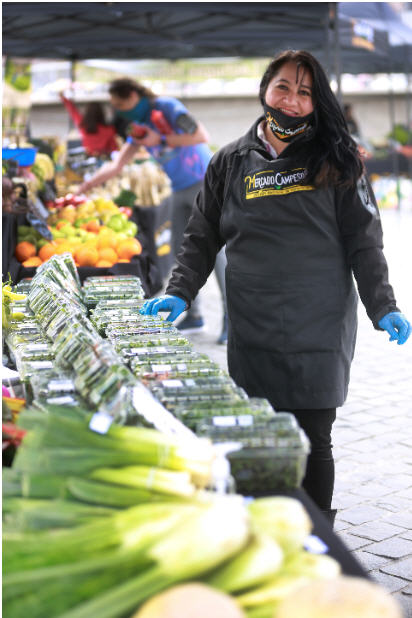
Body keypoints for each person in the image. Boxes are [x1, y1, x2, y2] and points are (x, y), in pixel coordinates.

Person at [140, 50, 411, 523]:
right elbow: (202, 236)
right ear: (265, 89)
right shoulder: (230, 161)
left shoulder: (338, 158)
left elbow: (363, 241)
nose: (291, 99)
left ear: (317, 100)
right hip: (254, 319)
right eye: (283, 86)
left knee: (315, 435)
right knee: (261, 429)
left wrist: (382, 304)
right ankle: (269, 527)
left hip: (319, 320)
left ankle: (318, 534)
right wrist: (178, 291)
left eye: (304, 92)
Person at [78, 78, 228, 344]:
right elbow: (117, 164)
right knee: (184, 251)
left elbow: (200, 135)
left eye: (122, 103)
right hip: (177, 189)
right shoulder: (139, 125)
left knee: (216, 255)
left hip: (205, 184)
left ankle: (231, 320)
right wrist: (86, 186)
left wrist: (161, 138)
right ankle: (194, 314)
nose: (120, 110)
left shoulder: (168, 108)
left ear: (135, 95)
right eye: (115, 106)